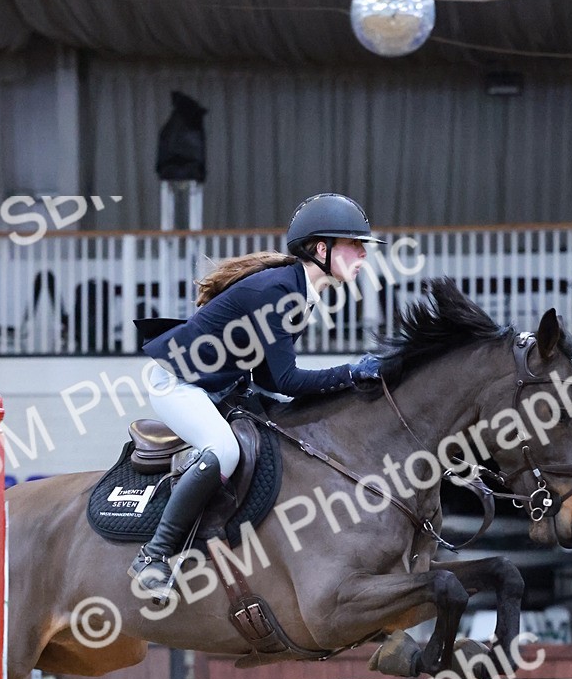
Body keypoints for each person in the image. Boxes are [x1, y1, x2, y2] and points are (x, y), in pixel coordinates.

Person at [130, 192, 383, 605]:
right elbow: (286, 378)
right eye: (355, 245)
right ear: (322, 249)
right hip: (177, 382)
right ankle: (154, 556)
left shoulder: (299, 291)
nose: (362, 255)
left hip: (218, 385)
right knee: (224, 450)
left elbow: (268, 376)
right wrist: (352, 373)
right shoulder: (282, 291)